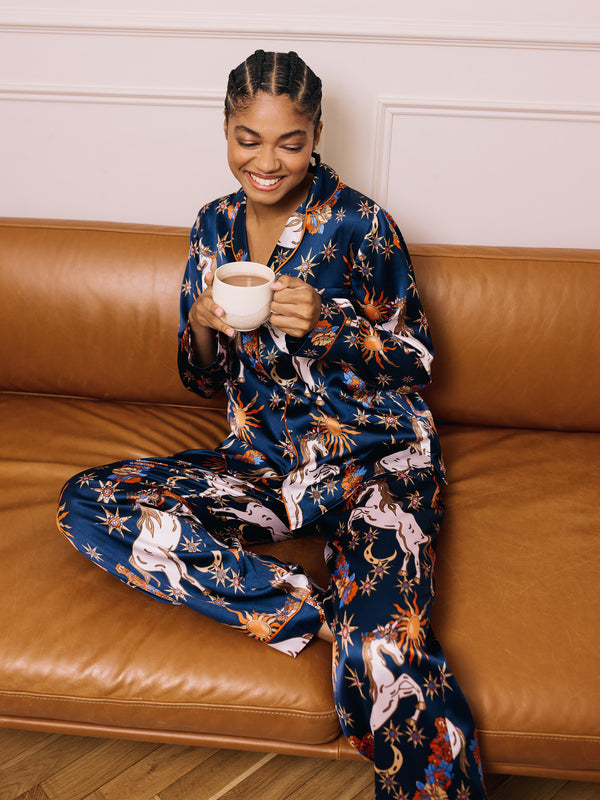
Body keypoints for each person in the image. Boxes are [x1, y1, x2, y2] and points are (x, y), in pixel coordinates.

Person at [57, 50, 488, 800]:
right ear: (225, 131)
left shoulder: (360, 224)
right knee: (87, 501)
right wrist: (198, 328)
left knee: (385, 660)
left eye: (289, 141)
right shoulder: (212, 227)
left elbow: (417, 359)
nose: (267, 160)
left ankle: (370, 641)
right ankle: (310, 611)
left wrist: (328, 323)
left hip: (377, 462)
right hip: (264, 466)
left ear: (316, 133)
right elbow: (201, 380)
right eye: (247, 139)